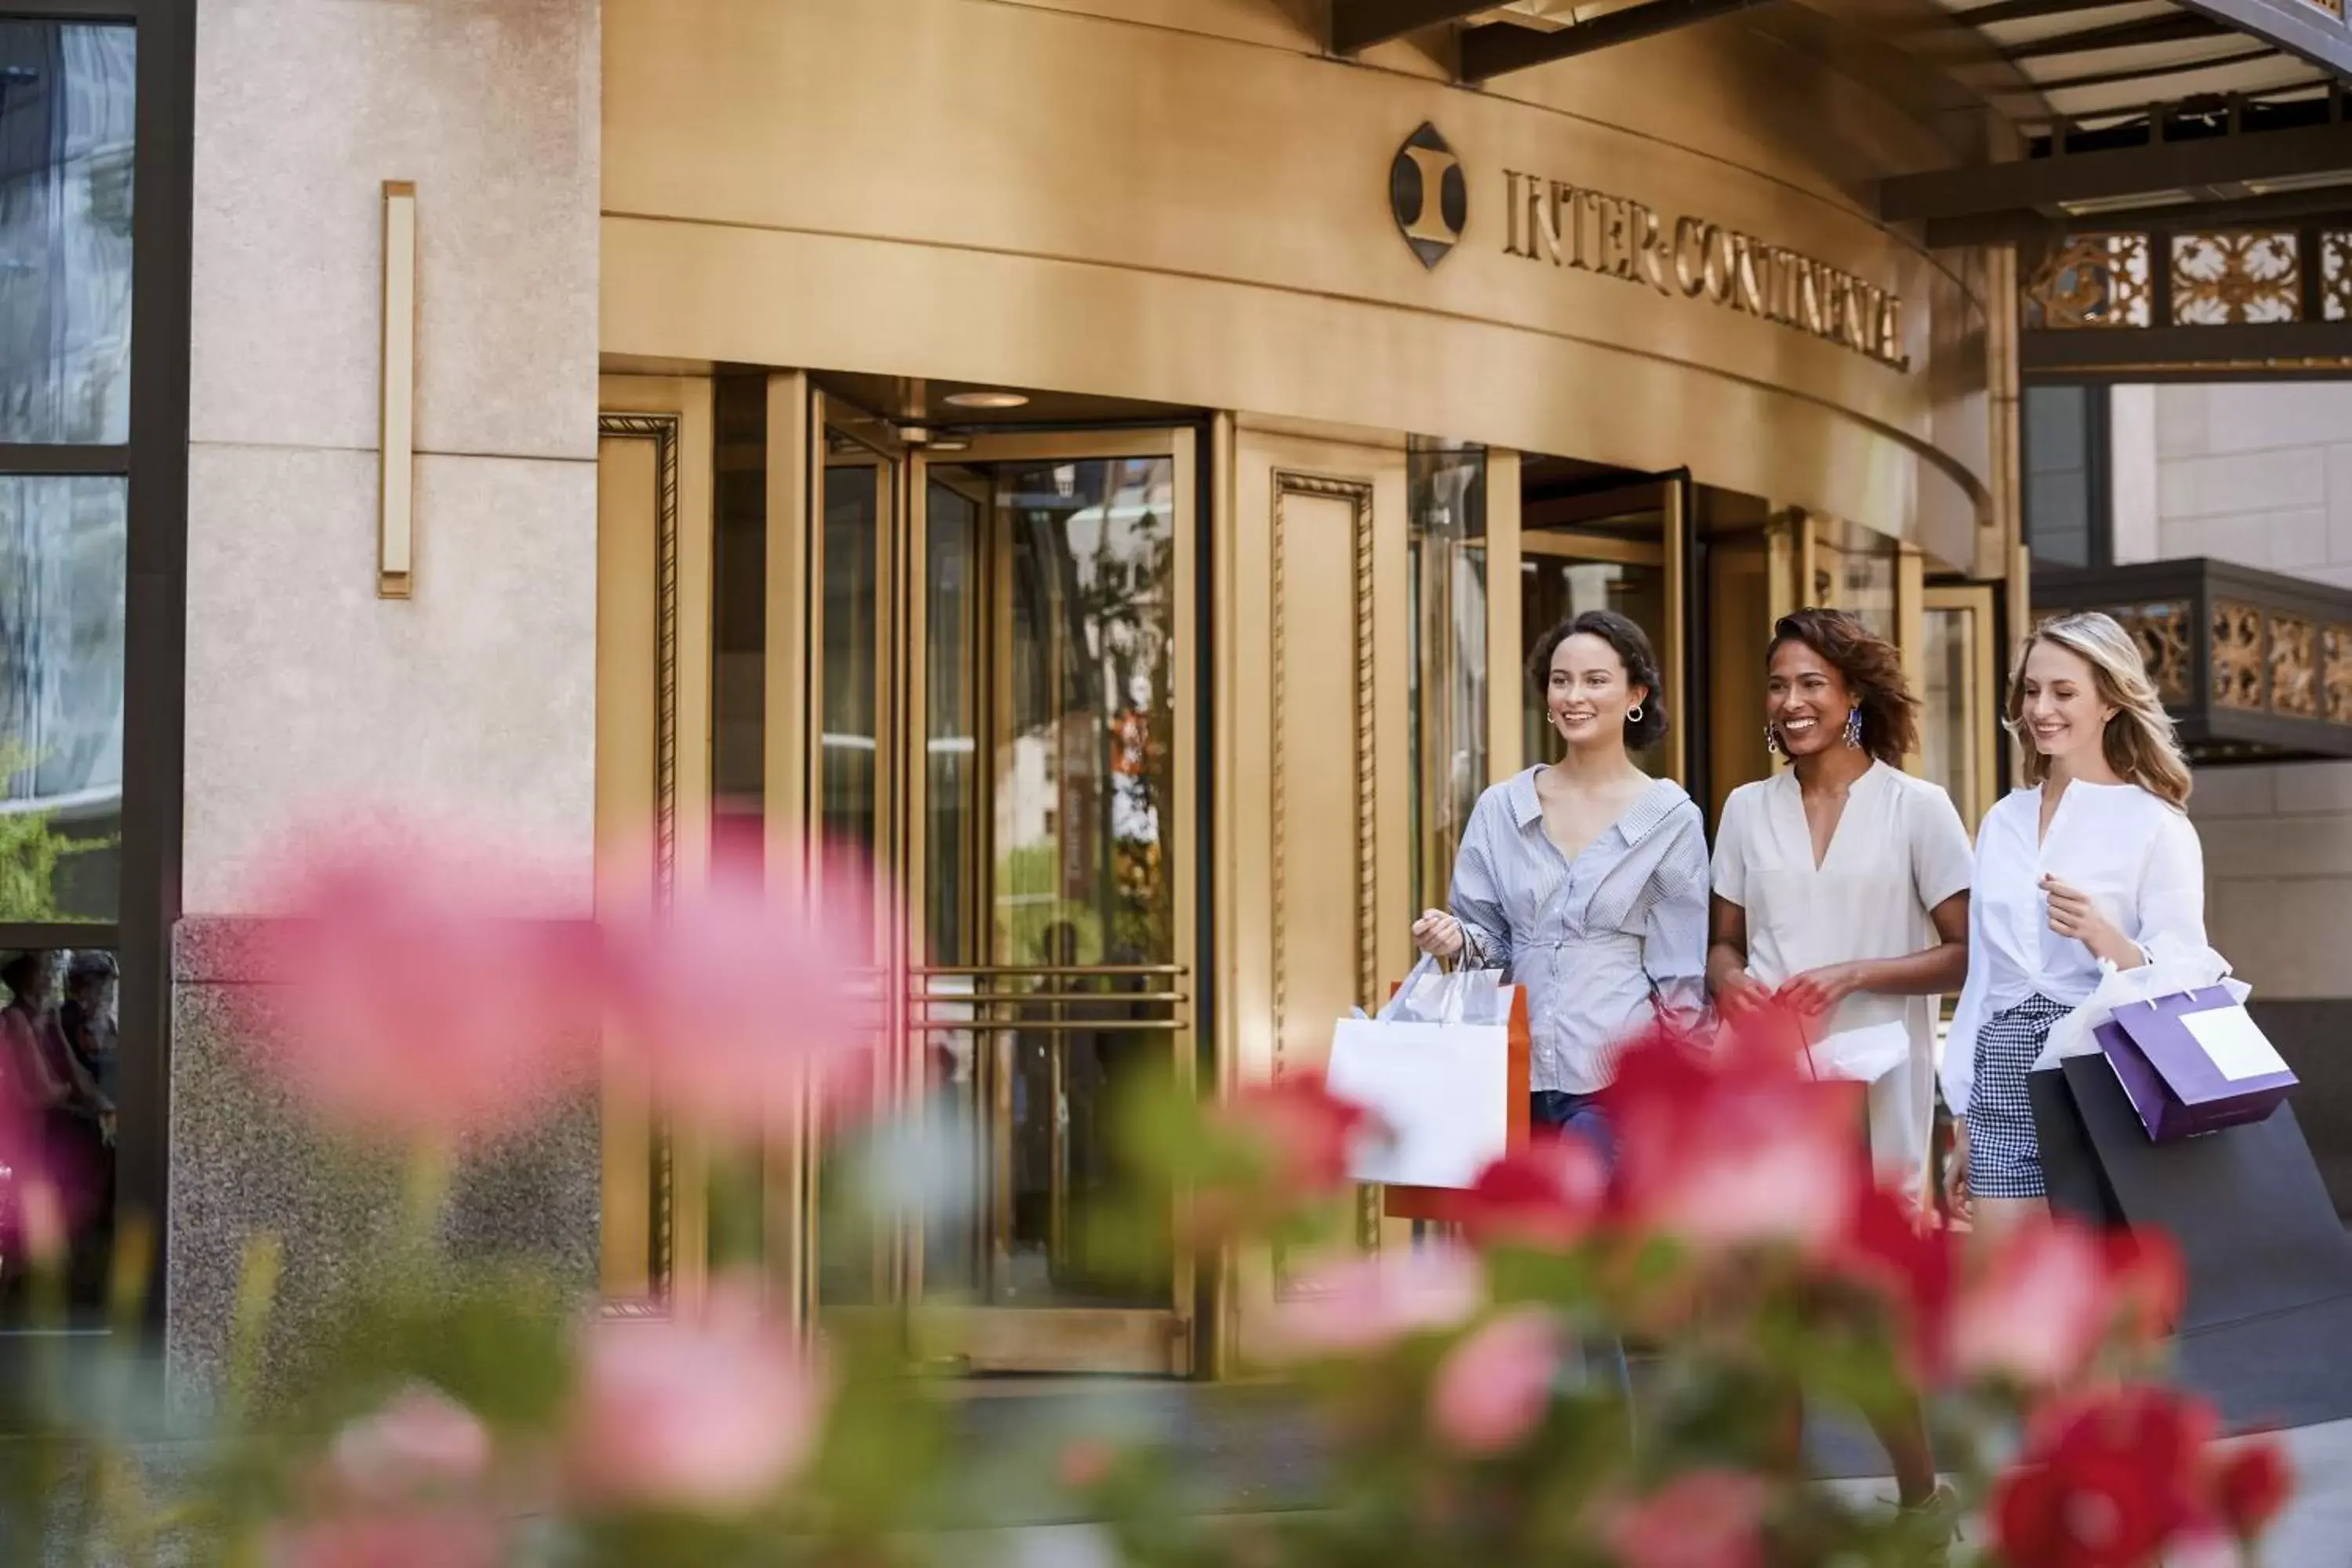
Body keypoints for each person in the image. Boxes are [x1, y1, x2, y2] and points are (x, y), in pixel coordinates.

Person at [1705, 607, 1971, 1529]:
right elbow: (1725, 944)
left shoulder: (1917, 808)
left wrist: (1858, 970)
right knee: (1768, 1310)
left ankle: (1920, 1495)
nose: (1791, 701)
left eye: (1811, 682)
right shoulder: (1745, 807)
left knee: (1862, 1311)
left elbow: (1965, 953)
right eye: (1779, 685)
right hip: (1770, 1094)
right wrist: (1732, 982)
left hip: (1873, 1096)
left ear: (1852, 693)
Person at [1410, 608, 1708, 1171]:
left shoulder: (1669, 819)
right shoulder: (1502, 808)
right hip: (1508, 1076)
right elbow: (1492, 944)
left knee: (1585, 1240)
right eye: (1560, 679)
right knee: (1519, 1249)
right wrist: (1456, 940)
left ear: (1635, 693)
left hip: (1615, 1083)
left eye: (1596, 680)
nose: (1575, 695)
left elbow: (1680, 977)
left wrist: (1690, 1094)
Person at [1943, 611, 2204, 1240]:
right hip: (2002, 1070)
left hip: (2097, 1069)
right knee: (2001, 1292)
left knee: (2091, 1295)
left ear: (2111, 700)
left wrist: (2103, 936)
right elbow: (1985, 977)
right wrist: (1965, 1115)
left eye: (2064, 692)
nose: (2041, 709)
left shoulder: (2157, 825)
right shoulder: (2004, 820)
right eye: (2032, 691)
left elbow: (2188, 974)